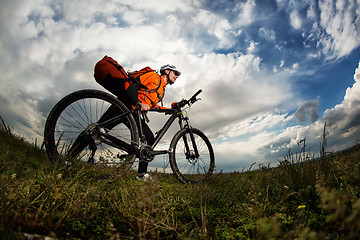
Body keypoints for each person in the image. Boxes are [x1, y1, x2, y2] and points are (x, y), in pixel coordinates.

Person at [97, 63, 181, 181]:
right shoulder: (153, 76)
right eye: (176, 73)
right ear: (167, 71)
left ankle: (141, 174)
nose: (177, 76)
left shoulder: (161, 89)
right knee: (97, 131)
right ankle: (68, 159)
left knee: (149, 138)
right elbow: (132, 82)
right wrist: (137, 101)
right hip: (125, 106)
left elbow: (151, 103)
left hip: (133, 113)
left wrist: (168, 110)